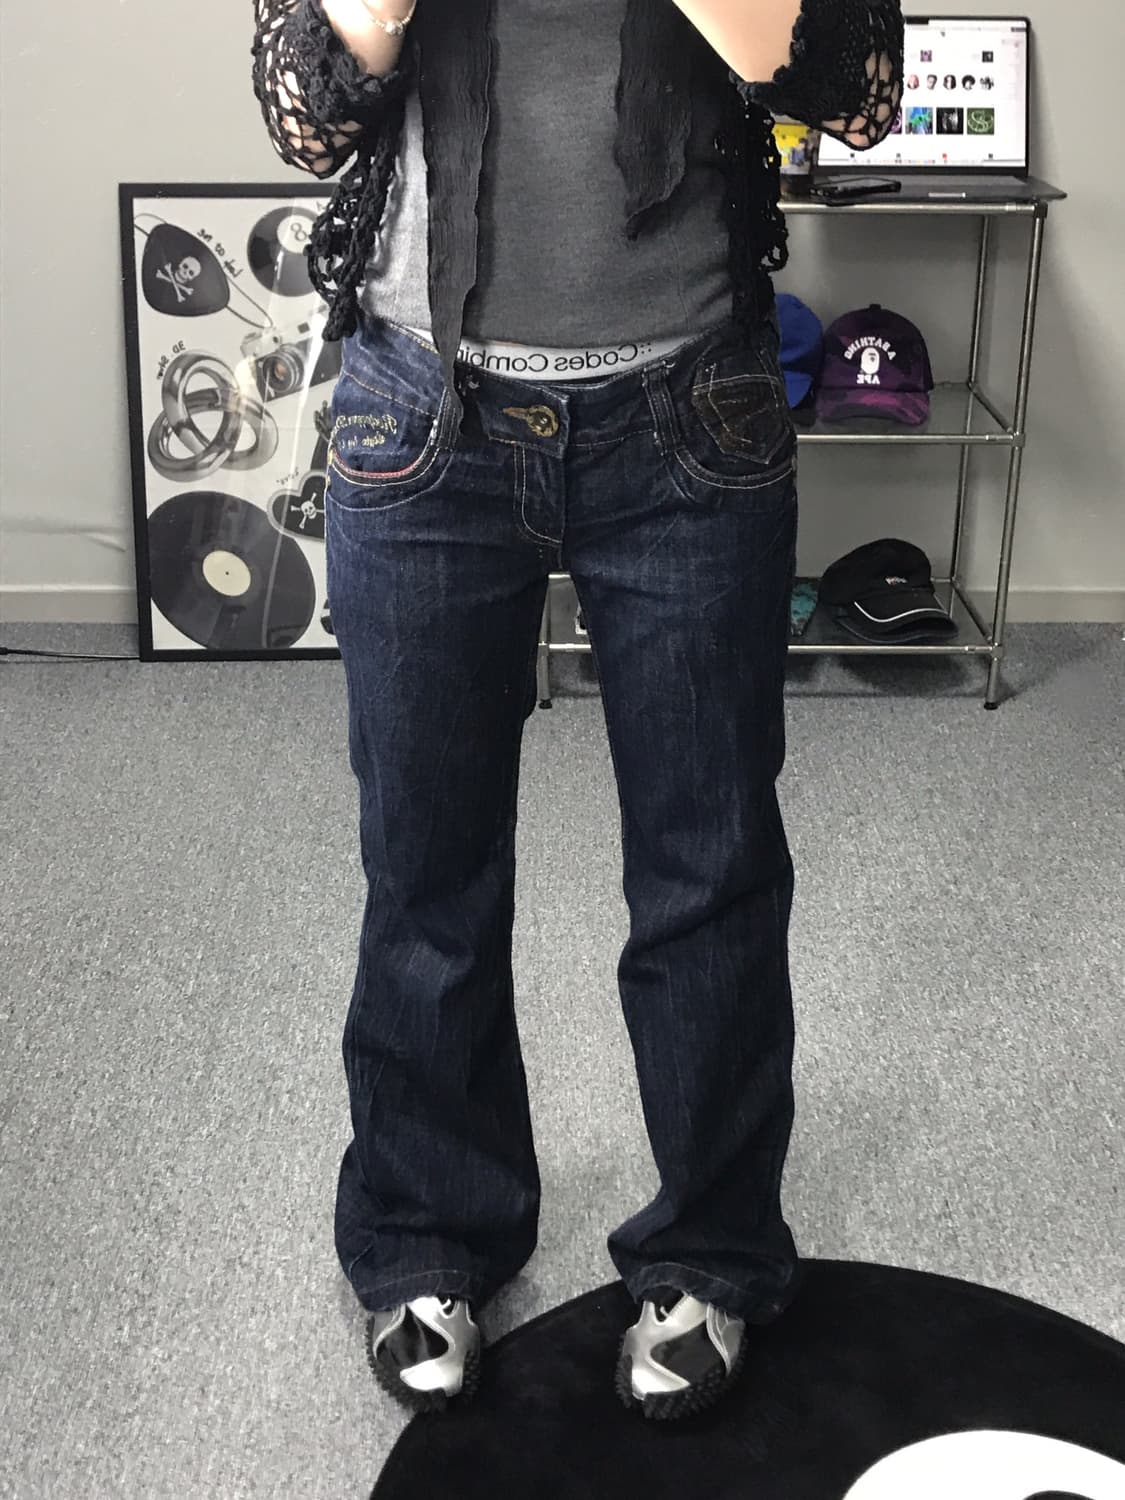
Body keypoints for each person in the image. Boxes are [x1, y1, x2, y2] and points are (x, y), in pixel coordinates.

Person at [251, 0, 902, 1422]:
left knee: (709, 867)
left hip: (691, 417)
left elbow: (858, 95)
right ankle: (429, 1232)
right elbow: (305, 114)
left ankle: (711, 1251)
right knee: (424, 865)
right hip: (421, 419)